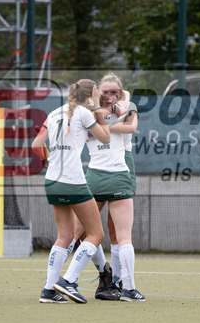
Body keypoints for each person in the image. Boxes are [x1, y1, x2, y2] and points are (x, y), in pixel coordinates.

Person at [31, 78, 110, 303]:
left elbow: (36, 145)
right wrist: (97, 109)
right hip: (73, 181)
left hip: (52, 181)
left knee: (64, 236)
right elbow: (105, 137)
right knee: (96, 234)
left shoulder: (54, 113)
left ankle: (48, 290)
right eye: (96, 93)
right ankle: (68, 281)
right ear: (89, 95)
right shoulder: (85, 112)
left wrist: (47, 159)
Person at [80, 72, 144, 302]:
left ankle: (117, 281)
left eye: (113, 92)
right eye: (104, 91)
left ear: (120, 92)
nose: (108, 95)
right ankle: (104, 273)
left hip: (121, 165)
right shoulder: (92, 111)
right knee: (84, 231)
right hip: (100, 169)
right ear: (97, 91)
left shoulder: (124, 104)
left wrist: (106, 122)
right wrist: (109, 119)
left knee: (115, 230)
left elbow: (130, 124)